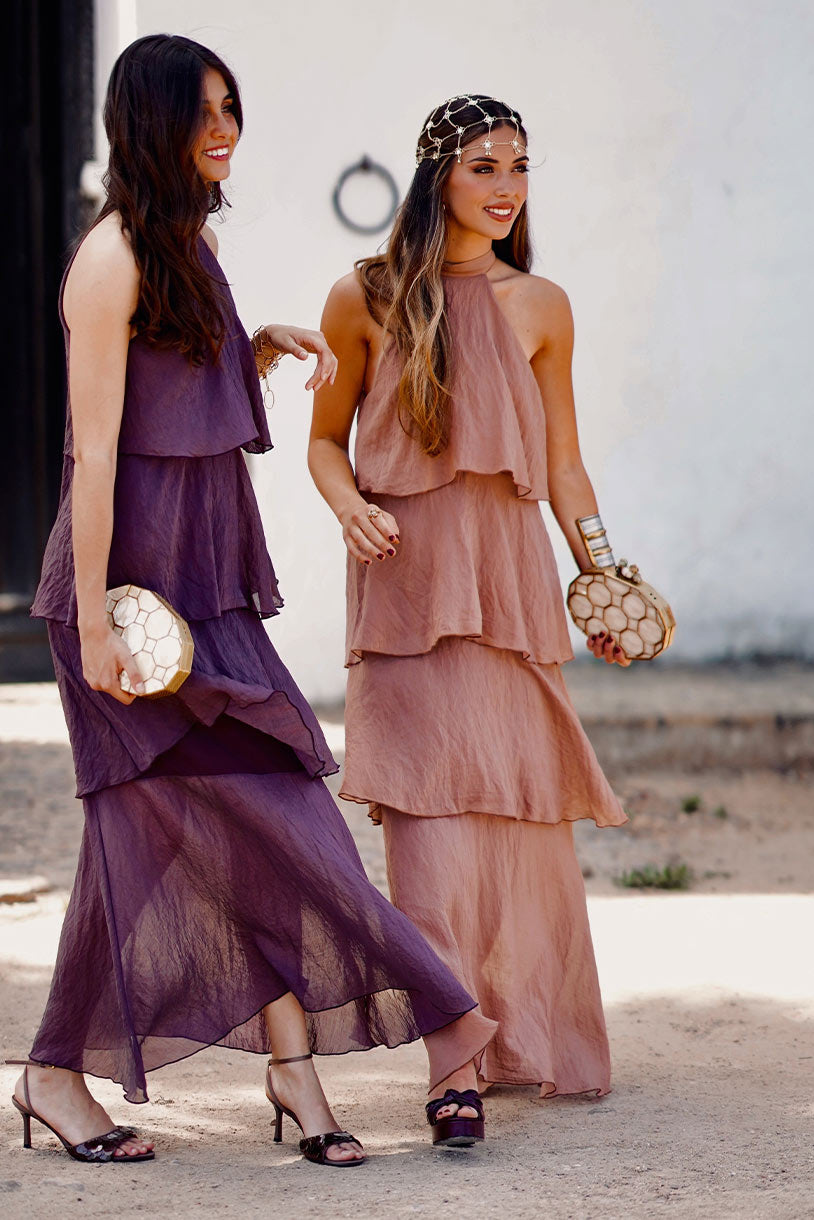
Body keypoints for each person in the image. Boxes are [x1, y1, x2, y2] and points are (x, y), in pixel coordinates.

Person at [11, 41, 493, 1169]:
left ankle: (121, 1072)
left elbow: (182, 387)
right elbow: (95, 454)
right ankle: (345, 1050)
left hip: (212, 589)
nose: (224, 128)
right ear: (150, 123)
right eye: (202, 111)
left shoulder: (194, 248)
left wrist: (254, 342)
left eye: (232, 106)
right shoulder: (109, 261)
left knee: (245, 815)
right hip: (133, 604)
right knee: (205, 825)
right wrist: (95, 624)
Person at [308, 94, 630, 1141]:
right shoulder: (362, 298)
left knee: (515, 823)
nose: (507, 188)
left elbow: (566, 466)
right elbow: (324, 440)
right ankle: (453, 1065)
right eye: (485, 166)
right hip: (404, 593)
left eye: (520, 167)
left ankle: (520, 1035)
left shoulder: (542, 306)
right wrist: (349, 505)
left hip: (507, 590)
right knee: (428, 841)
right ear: (436, 175)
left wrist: (607, 580)